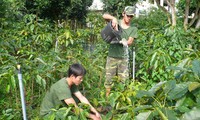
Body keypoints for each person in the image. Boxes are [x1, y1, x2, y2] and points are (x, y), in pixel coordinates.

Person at [102, 6, 138, 97]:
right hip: (112, 57)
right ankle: (107, 102)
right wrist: (113, 18)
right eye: (128, 15)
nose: (129, 18)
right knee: (109, 80)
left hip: (123, 59)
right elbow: (104, 15)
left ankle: (122, 104)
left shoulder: (133, 29)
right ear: (123, 14)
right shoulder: (116, 22)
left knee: (124, 81)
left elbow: (130, 41)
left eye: (131, 16)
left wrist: (124, 42)